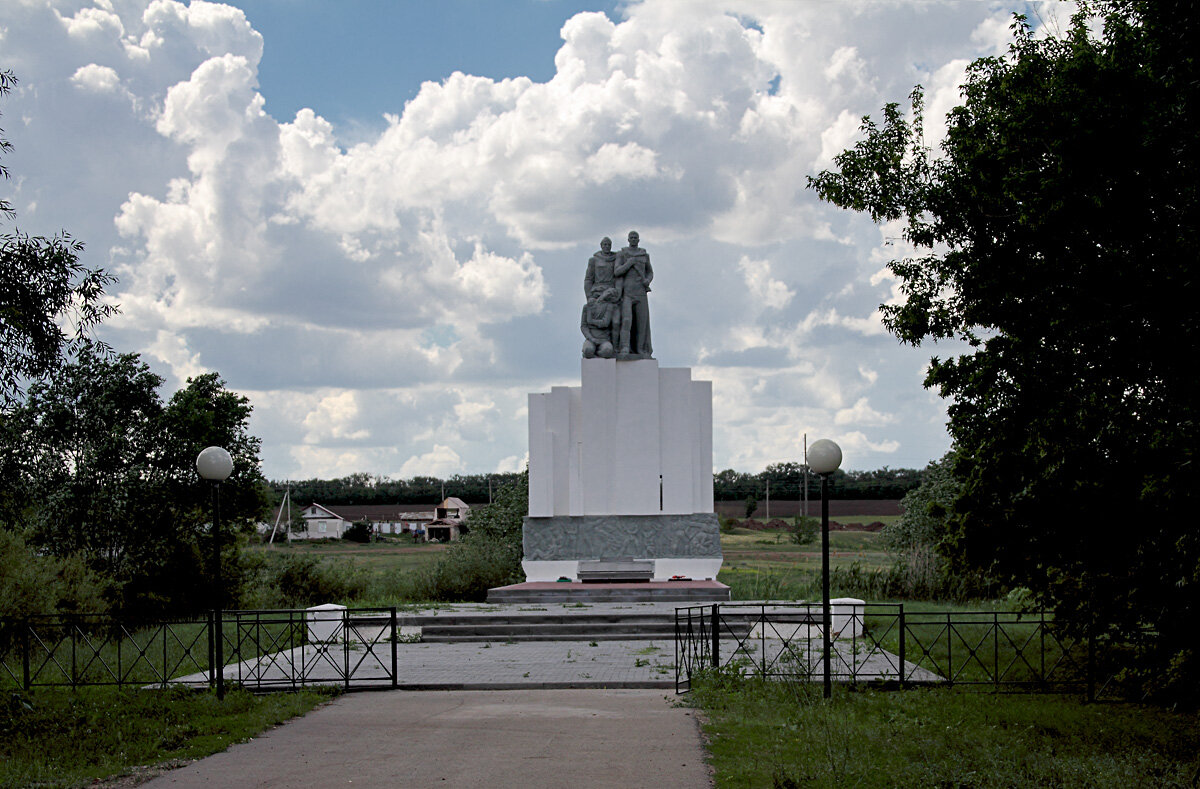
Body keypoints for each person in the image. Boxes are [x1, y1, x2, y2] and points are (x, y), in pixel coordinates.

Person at [614, 230, 653, 357]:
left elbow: (650, 272)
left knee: (642, 323)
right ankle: (625, 347)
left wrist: (647, 280)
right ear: (628, 239)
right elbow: (617, 271)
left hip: (641, 292)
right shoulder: (622, 254)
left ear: (639, 240)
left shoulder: (644, 255)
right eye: (631, 237)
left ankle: (640, 349)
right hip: (628, 292)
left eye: (636, 237)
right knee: (626, 320)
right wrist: (628, 264)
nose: (634, 239)